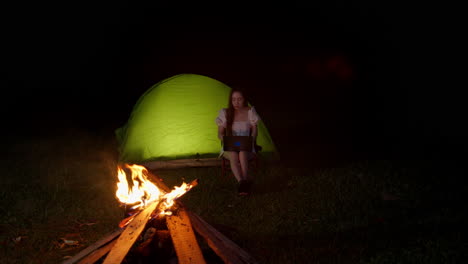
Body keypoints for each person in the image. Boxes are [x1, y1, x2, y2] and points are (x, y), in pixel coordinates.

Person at [215, 89, 260, 195]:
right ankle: (242, 182)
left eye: (239, 99)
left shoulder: (250, 111)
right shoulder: (226, 113)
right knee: (233, 153)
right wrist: (226, 140)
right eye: (234, 99)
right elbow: (219, 134)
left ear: (244, 100)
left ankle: (243, 182)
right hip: (231, 144)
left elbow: (254, 131)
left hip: (246, 144)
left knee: (243, 151)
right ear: (231, 100)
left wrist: (251, 140)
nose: (236, 102)